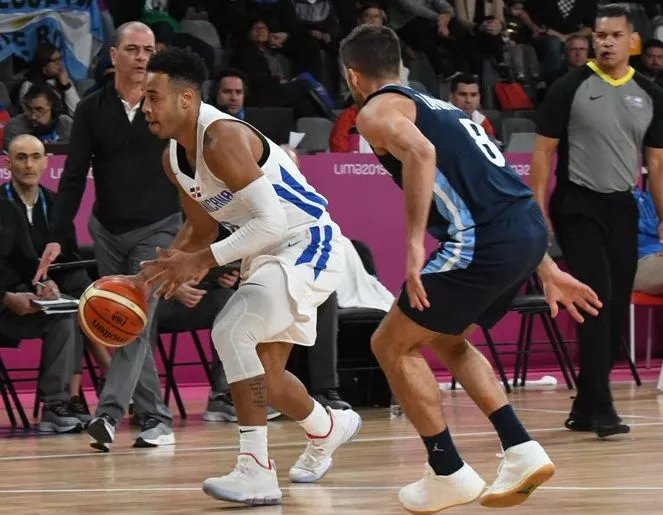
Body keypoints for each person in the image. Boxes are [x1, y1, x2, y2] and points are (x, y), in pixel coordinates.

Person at [339, 24, 602, 513]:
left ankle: (448, 472)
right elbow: (494, 186)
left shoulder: (375, 109)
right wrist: (545, 266)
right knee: (444, 337)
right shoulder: (443, 106)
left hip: (484, 238)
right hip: (522, 228)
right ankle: (521, 449)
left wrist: (414, 244)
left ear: (353, 75)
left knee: (389, 344)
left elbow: (420, 153)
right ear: (400, 65)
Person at [138, 46, 361, 506]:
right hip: (264, 251)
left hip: (306, 241)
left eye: (153, 97)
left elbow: (273, 222)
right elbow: (202, 225)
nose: (145, 107)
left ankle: (256, 469)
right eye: (144, 98)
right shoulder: (172, 158)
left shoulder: (220, 137)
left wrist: (200, 262)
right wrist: (166, 267)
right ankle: (329, 426)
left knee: (232, 329)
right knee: (267, 380)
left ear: (185, 99)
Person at [33, 22, 182, 451]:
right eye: (132, 49)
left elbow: (194, 172)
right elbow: (74, 176)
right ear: (113, 55)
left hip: (158, 229)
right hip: (107, 229)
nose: (141, 58)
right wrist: (59, 234)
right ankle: (157, 418)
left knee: (132, 318)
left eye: (148, 50)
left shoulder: (170, 106)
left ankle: (108, 415)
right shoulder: (93, 110)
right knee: (124, 326)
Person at [530, 4, 663, 438]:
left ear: (632, 41)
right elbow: (542, 154)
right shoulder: (570, 87)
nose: (604, 42)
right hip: (577, 206)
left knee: (613, 304)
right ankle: (602, 407)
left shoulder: (650, 92)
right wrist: (539, 215)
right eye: (599, 35)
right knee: (597, 301)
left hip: (623, 207)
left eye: (613, 35)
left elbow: (656, 165)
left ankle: (585, 406)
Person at [1, 134, 112, 422]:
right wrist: (6, 297)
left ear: (45, 162)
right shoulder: (3, 205)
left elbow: (48, 259)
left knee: (68, 312)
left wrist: (43, 285)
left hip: (37, 299)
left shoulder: (55, 205)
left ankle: (56, 405)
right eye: (21, 157)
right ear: (8, 163)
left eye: (35, 157)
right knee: (75, 304)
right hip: (5, 301)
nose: (29, 165)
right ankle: (104, 376)